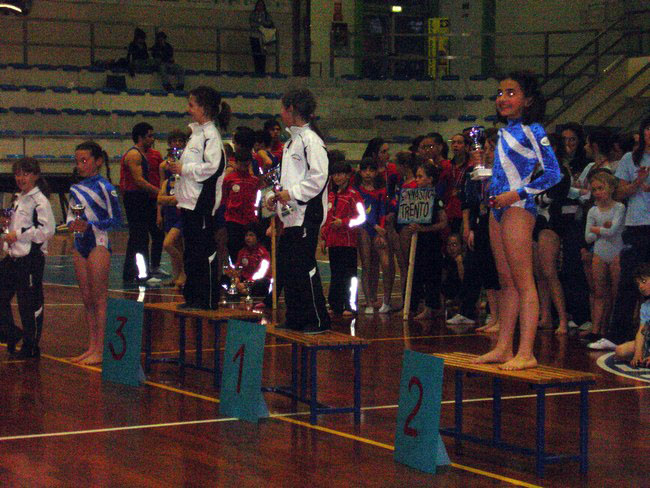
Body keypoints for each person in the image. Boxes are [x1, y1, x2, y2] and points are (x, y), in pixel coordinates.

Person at [472, 71, 562, 371]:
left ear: (528, 99)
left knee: (524, 282)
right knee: (506, 282)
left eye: (511, 93)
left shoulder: (534, 130)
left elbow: (553, 173)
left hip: (518, 208)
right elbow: (505, 172)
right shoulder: (503, 133)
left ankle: (526, 351)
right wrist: (485, 175)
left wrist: (517, 194)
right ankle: (503, 347)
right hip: (497, 208)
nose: (503, 98)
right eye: (500, 93)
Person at [269, 88, 330, 334]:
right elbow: (289, 180)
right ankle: (295, 317)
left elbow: (318, 178)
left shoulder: (311, 140)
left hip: (307, 213)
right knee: (289, 266)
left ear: (292, 109)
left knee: (304, 266)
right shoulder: (291, 143)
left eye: (283, 108)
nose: (281, 113)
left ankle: (318, 319)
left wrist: (292, 193)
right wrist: (275, 197)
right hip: (291, 215)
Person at [167, 86, 228, 310]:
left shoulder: (211, 136)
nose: (188, 109)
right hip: (188, 202)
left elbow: (213, 167)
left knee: (203, 251)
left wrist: (183, 168)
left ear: (203, 108)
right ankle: (193, 297)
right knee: (192, 252)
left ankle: (208, 298)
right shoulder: (197, 134)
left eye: (191, 105)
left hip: (201, 203)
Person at [68, 142, 122, 364]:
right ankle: (92, 346)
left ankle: (101, 349)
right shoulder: (75, 189)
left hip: (98, 243)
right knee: (87, 299)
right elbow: (71, 216)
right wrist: (73, 224)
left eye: (84, 160)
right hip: (80, 243)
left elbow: (117, 220)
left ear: (98, 161)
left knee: (99, 299)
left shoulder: (105, 187)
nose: (80, 165)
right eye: (77, 161)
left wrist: (90, 225)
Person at [599, 116, 650, 350]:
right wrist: (637, 183)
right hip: (637, 225)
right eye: (647, 129)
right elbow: (619, 193)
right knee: (629, 280)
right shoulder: (631, 158)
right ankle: (617, 335)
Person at [0, 157, 55, 358]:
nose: (21, 178)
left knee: (28, 305)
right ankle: (11, 333)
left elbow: (47, 230)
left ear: (35, 175)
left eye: (26, 174)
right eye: (17, 174)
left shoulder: (40, 201)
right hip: (13, 258)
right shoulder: (17, 198)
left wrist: (20, 234)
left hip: (30, 260)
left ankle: (31, 347)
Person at [582, 171, 625, 345]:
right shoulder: (593, 210)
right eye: (594, 189)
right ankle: (596, 329)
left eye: (601, 188)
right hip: (599, 253)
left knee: (616, 292)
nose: (598, 192)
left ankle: (611, 329)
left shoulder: (619, 207)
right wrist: (602, 229)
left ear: (611, 188)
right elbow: (588, 237)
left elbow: (613, 231)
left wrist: (596, 229)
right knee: (599, 292)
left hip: (616, 252)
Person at [320, 161, 365, 317]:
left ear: (347, 175)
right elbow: (326, 219)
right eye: (334, 174)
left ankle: (350, 305)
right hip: (333, 242)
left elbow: (361, 217)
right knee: (336, 274)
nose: (337, 177)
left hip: (348, 242)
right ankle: (335, 304)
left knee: (349, 275)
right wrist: (324, 237)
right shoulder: (331, 196)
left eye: (340, 174)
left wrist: (344, 222)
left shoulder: (353, 195)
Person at [119, 122, 160, 284]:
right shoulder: (134, 155)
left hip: (139, 198)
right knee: (140, 237)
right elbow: (138, 180)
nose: (152, 139)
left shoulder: (141, 154)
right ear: (140, 137)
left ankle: (130, 272)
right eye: (149, 136)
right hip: (135, 198)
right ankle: (142, 274)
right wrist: (158, 192)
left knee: (137, 238)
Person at [408, 163, 447, 320]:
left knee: (431, 274)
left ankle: (431, 307)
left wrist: (424, 229)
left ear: (430, 179)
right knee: (416, 272)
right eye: (416, 176)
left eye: (420, 176)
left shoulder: (436, 198)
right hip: (418, 240)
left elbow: (443, 222)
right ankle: (412, 305)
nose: (417, 180)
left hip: (432, 242)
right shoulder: (414, 197)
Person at [356, 158, 391, 314]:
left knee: (378, 263)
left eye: (371, 170)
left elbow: (382, 210)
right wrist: (376, 226)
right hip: (364, 228)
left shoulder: (381, 191)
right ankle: (369, 301)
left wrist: (380, 229)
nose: (368, 173)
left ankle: (376, 297)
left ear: (376, 172)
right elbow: (360, 213)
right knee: (366, 264)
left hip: (377, 230)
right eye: (365, 170)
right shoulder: (357, 191)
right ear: (360, 171)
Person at [157, 130, 189, 288]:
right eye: (174, 141)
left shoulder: (186, 163)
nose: (177, 144)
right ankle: (177, 274)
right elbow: (161, 190)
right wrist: (159, 213)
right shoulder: (163, 166)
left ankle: (184, 272)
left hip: (181, 209)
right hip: (169, 210)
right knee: (175, 246)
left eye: (180, 141)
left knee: (170, 243)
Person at [222, 146, 262, 263]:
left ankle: (248, 273)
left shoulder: (254, 181)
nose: (243, 168)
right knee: (234, 250)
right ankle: (236, 272)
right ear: (236, 163)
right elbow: (224, 199)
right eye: (241, 165)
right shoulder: (229, 179)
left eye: (246, 165)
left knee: (250, 252)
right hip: (233, 221)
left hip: (249, 221)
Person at [614, 263, 650, 367]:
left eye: (644, 281)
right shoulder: (645, 306)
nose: (641, 287)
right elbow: (641, 332)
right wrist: (638, 353)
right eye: (638, 284)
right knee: (620, 351)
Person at [249, 0, 275, 75]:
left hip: (264, 37)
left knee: (263, 54)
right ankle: (257, 70)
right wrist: (260, 25)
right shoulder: (253, 14)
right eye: (258, 5)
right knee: (256, 54)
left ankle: (262, 70)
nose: (260, 7)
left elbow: (269, 23)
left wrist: (261, 24)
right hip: (254, 36)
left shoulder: (266, 15)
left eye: (261, 5)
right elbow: (252, 23)